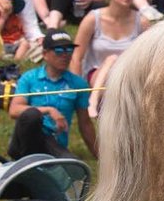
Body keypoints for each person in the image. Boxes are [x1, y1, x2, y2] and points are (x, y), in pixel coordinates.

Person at [70, 0, 149, 118]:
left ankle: (101, 103)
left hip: (128, 77)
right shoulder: (93, 19)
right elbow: (76, 57)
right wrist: (77, 92)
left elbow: (150, 59)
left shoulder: (142, 22)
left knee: (116, 61)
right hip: (96, 74)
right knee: (112, 60)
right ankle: (93, 100)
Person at [8, 30, 97, 160]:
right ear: (45, 54)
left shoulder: (78, 84)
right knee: (32, 115)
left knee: (73, 166)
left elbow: (85, 123)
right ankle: (25, 159)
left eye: (69, 51)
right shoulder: (29, 78)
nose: (65, 55)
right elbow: (14, 110)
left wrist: (99, 154)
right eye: (59, 51)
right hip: (27, 138)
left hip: (54, 142)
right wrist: (48, 110)